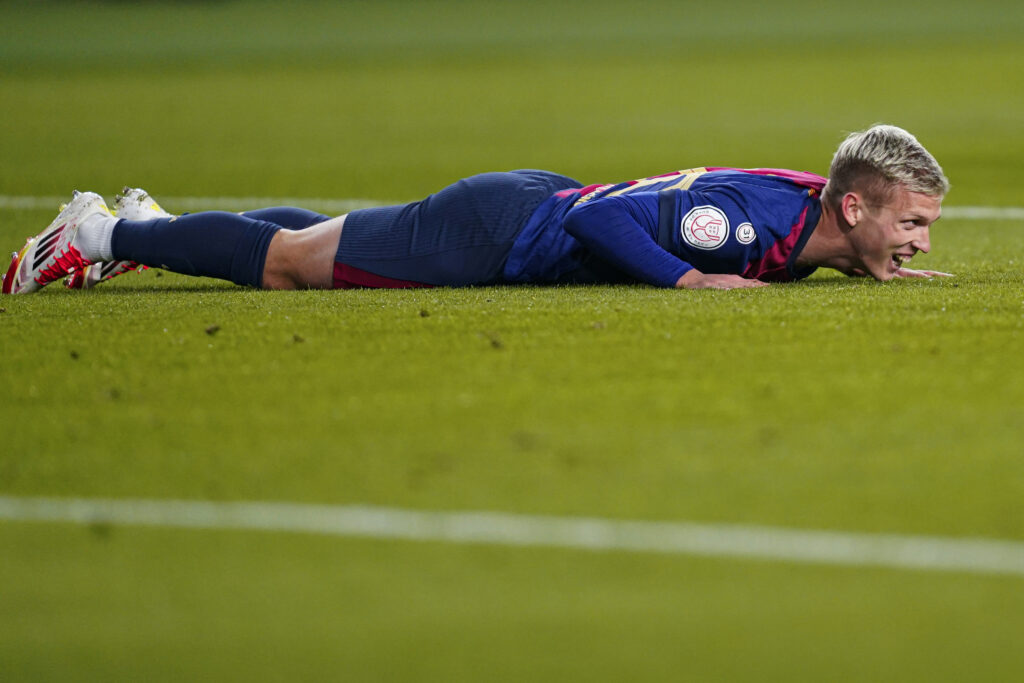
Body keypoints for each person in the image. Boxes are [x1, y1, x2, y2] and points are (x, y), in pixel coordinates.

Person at [2, 124, 950, 296]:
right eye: (909, 224)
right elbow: (597, 225)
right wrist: (689, 277)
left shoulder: (810, 219)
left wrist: (871, 263)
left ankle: (149, 220)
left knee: (327, 237)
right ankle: (98, 233)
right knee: (292, 263)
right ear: (856, 206)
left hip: (515, 207)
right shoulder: (745, 229)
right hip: (505, 231)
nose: (915, 241)